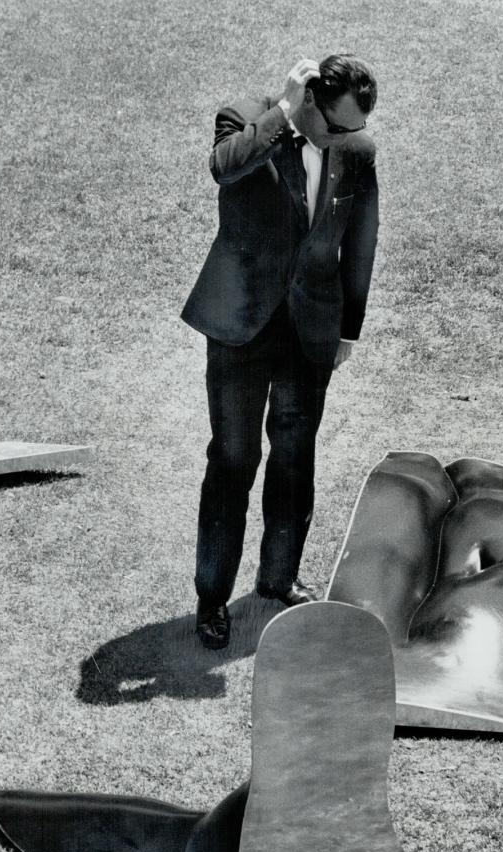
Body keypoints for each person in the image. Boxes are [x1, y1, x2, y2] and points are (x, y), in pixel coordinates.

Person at [181, 54, 379, 649]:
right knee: (235, 458)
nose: (350, 139)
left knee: (295, 454)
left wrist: (349, 329)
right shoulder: (250, 118)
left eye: (357, 129)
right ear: (311, 103)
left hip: (309, 331)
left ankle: (279, 577)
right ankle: (212, 599)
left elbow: (362, 240)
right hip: (241, 325)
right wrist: (285, 116)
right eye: (338, 126)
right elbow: (224, 167)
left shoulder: (357, 152)